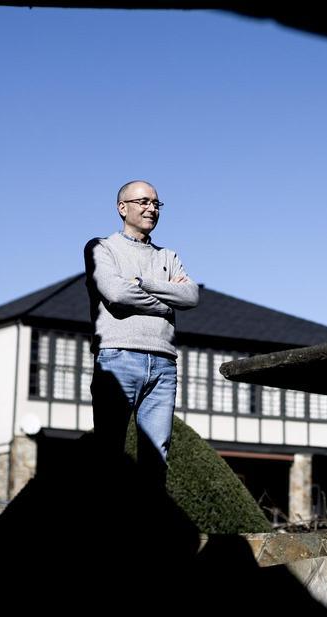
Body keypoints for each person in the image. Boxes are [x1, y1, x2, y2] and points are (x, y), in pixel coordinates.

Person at [84, 180, 199, 474]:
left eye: (156, 203)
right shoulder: (102, 248)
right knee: (110, 452)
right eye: (143, 202)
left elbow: (191, 295)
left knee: (156, 459)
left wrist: (142, 282)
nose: (151, 208)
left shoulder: (168, 256)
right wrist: (165, 302)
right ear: (122, 208)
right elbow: (116, 293)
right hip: (117, 357)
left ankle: (148, 521)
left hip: (164, 363)